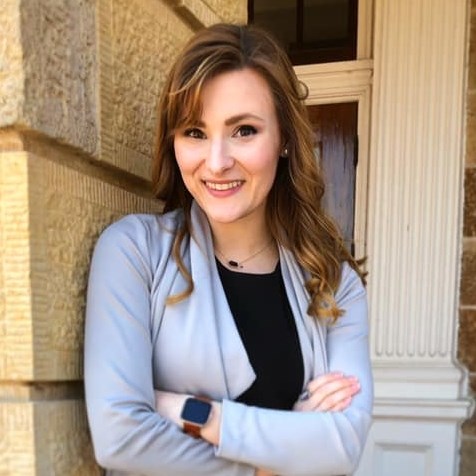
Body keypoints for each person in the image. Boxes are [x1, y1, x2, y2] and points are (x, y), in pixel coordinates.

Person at [84, 23, 373, 476]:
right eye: (195, 133)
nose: (216, 162)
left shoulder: (332, 281)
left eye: (243, 130)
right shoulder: (133, 253)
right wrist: (271, 462)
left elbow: (343, 446)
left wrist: (203, 416)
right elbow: (120, 436)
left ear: (283, 141)